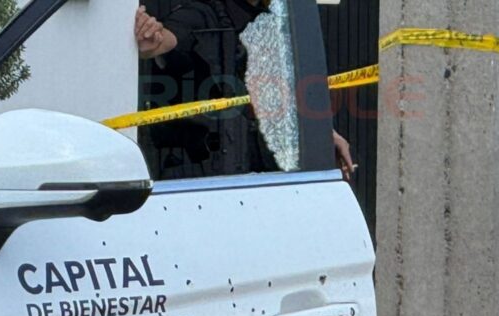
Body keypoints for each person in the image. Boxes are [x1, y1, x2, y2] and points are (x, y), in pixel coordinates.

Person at [134, 1, 356, 182]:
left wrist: (320, 132)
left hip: (266, 177)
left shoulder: (277, 19)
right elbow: (169, 37)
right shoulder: (202, 15)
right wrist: (153, 39)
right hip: (204, 183)